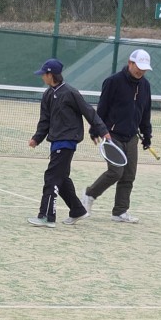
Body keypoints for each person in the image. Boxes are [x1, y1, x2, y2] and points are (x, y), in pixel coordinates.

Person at [27, 58, 109, 228]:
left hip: (67, 142)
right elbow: (45, 120)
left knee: (51, 177)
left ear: (51, 75)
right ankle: (77, 210)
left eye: (44, 74)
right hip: (55, 142)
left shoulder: (70, 92)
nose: (42, 77)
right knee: (62, 178)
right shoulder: (48, 94)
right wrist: (37, 138)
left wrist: (103, 131)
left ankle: (47, 216)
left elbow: (89, 112)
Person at [81, 49, 153, 223]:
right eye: (139, 67)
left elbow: (145, 112)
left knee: (129, 175)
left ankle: (120, 212)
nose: (141, 71)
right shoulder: (113, 81)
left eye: (144, 69)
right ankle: (89, 195)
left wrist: (147, 135)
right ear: (130, 63)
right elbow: (102, 108)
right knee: (115, 172)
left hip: (132, 137)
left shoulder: (145, 85)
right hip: (111, 135)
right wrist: (94, 129)